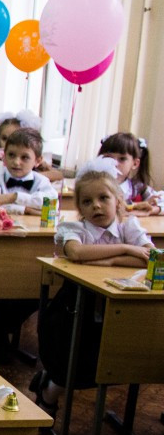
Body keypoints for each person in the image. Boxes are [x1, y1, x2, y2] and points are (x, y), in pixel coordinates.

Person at [31, 158, 153, 416]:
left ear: (118, 201)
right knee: (70, 369)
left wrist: (109, 260)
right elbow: (76, 253)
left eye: (103, 198)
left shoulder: (128, 226)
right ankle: (48, 391)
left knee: (118, 361)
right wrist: (125, 249)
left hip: (117, 310)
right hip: (75, 312)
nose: (96, 205)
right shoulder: (74, 229)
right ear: (80, 209)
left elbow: (151, 256)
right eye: (87, 202)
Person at [0, 127, 57, 360]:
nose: (17, 162)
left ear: (38, 160)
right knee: (1, 284)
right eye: (11, 155)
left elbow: (51, 205)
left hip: (32, 249)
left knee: (34, 286)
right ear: (3, 155)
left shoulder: (43, 182)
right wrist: (27, 207)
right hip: (0, 245)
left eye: (25, 157)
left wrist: (13, 198)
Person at [0, 110, 63, 182]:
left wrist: (27, 176)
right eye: (4, 138)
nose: (9, 143)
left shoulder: (33, 161)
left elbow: (58, 176)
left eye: (15, 138)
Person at [98, 132, 162, 214]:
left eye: (122, 159)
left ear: (135, 163)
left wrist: (151, 210)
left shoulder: (137, 187)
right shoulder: (92, 185)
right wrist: (136, 205)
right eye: (108, 157)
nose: (114, 163)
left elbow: (160, 200)